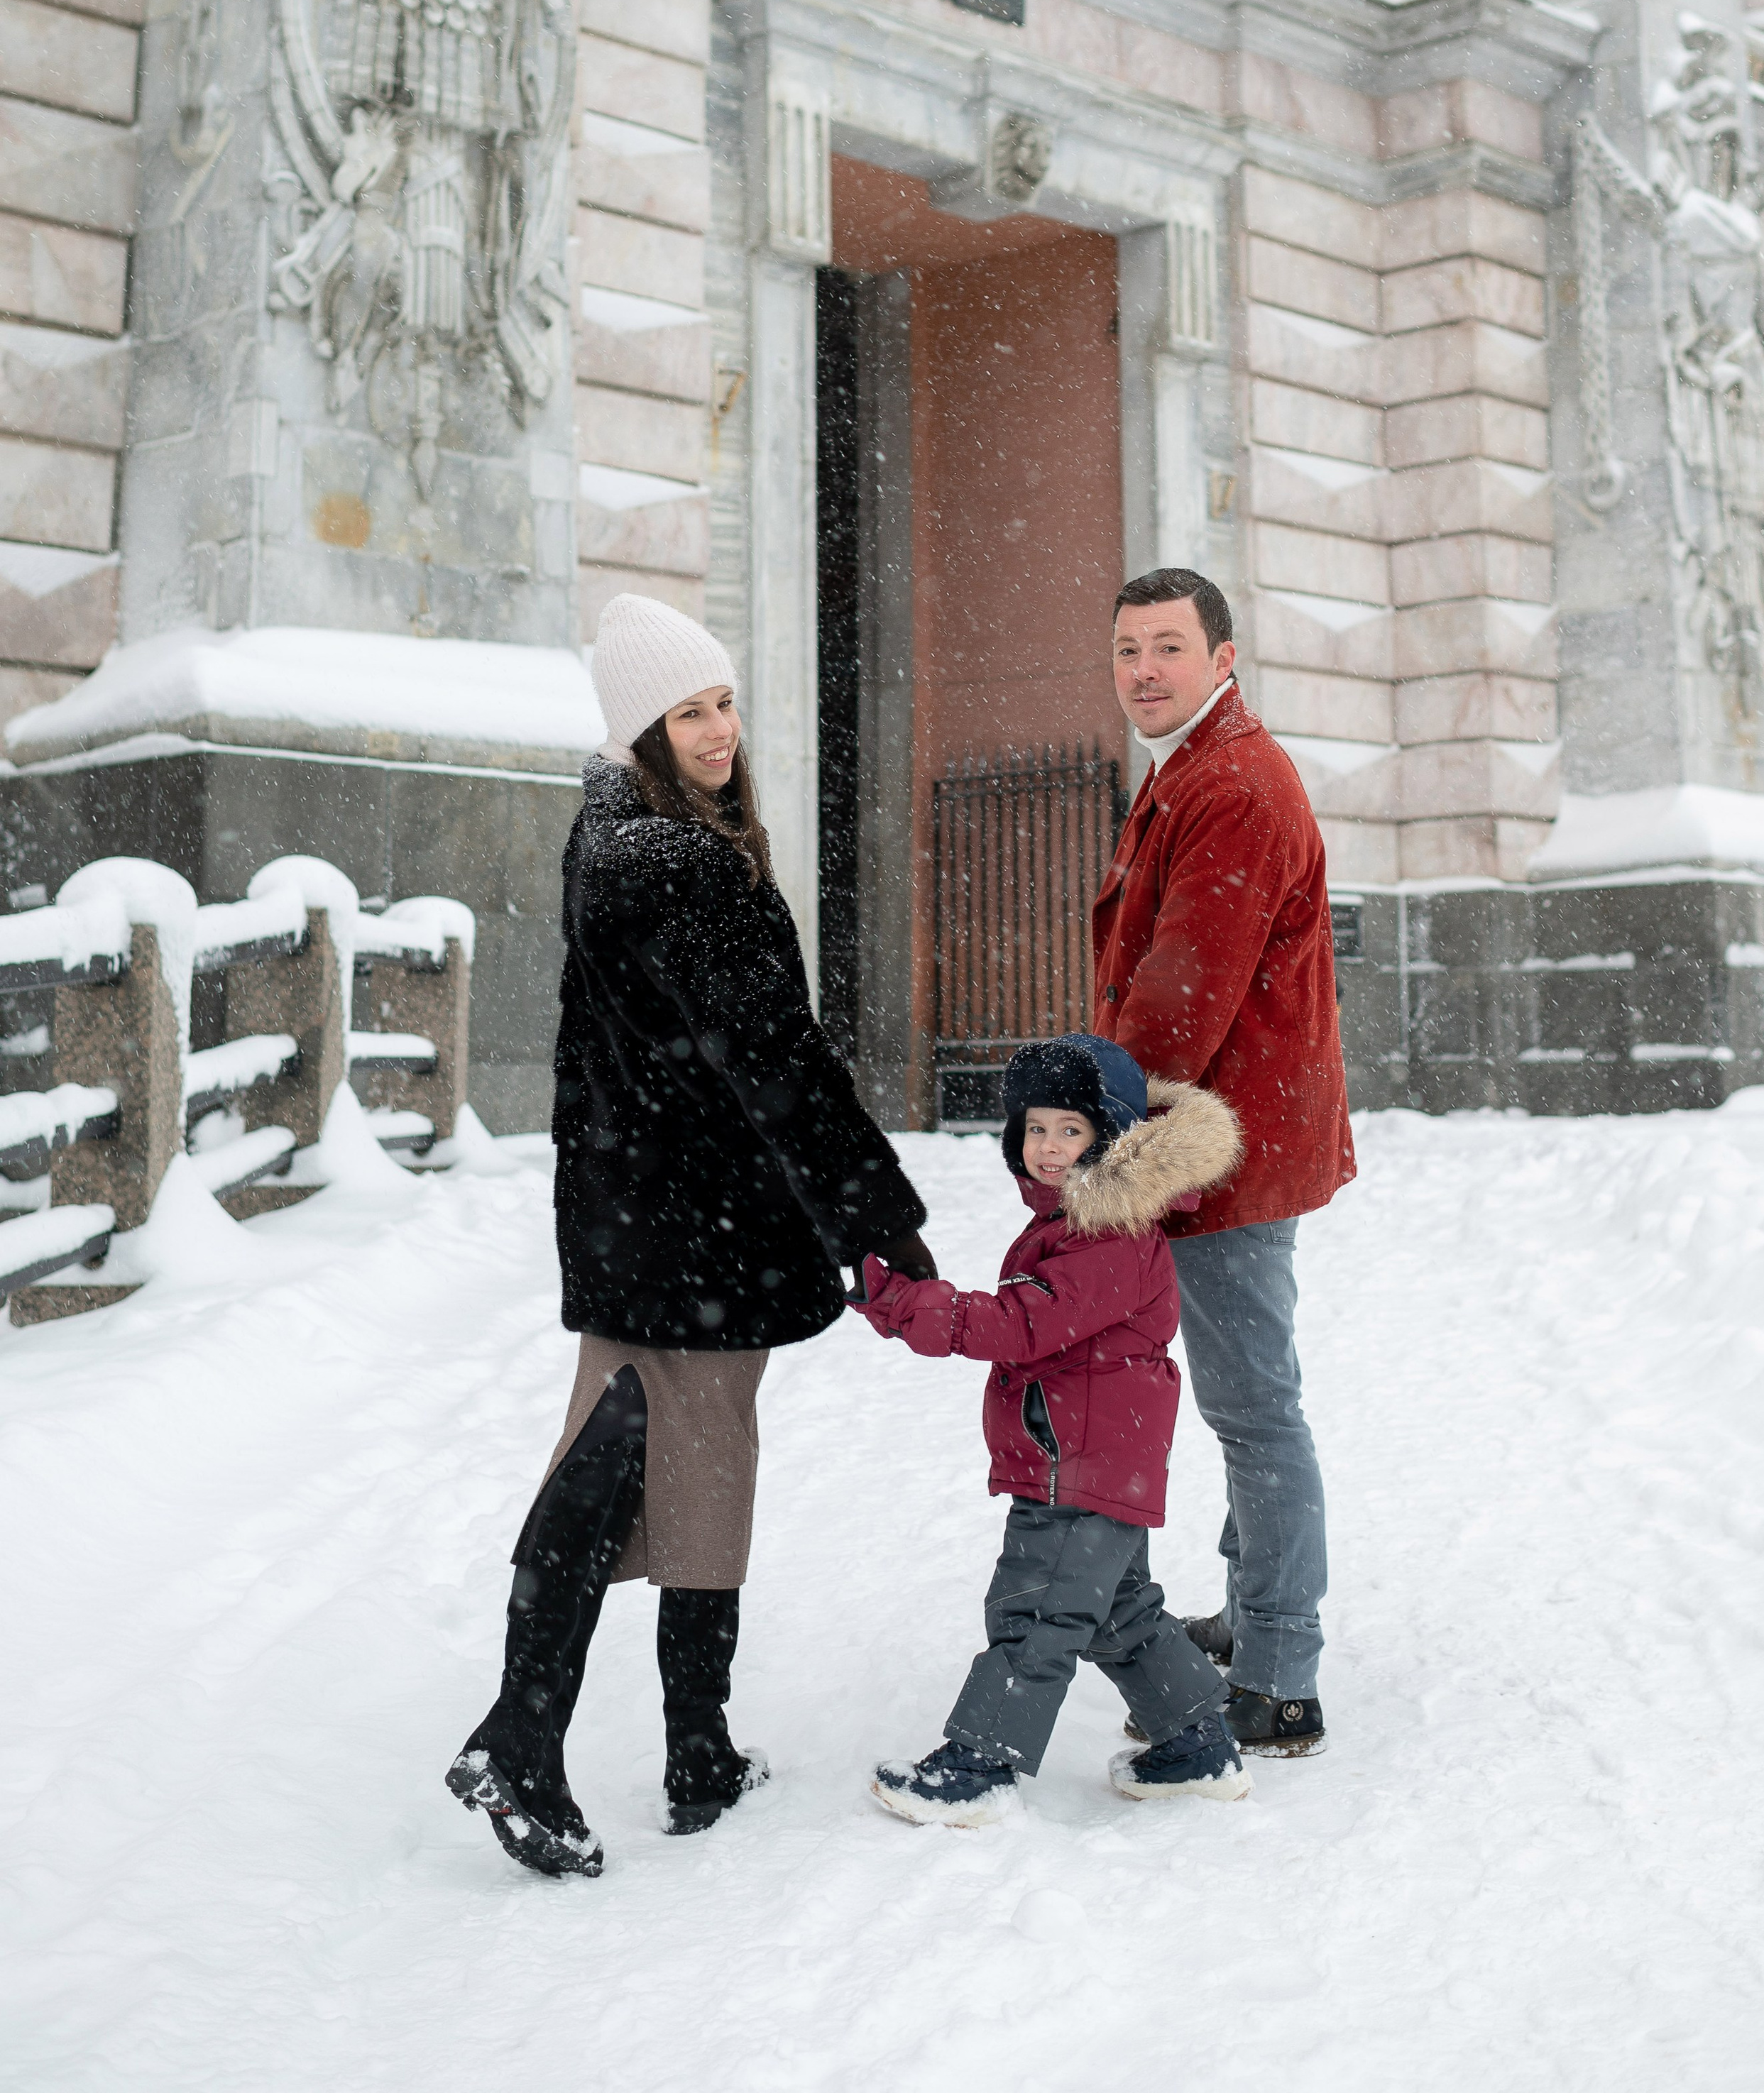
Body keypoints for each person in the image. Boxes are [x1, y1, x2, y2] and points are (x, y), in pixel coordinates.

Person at [447, 592, 936, 1876]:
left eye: (724, 702)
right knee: (695, 1474)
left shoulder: (614, 842)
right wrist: (875, 1213)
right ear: (641, 731)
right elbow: (777, 1059)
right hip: (700, 1230)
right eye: (689, 713)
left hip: (640, 1220)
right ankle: (606, 1744)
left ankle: (597, 1737)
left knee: (613, 1465)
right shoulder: (676, 865)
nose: (719, 730)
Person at [1094, 567, 1354, 1757]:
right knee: (1248, 1404)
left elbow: (1181, 996)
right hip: (1218, 1137)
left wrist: (1093, 1122)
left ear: (1223, 658)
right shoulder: (1192, 768)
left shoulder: (1233, 784)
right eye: (1127, 649)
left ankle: (1282, 1675)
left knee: (1254, 1412)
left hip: (1227, 1148)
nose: (1144, 669)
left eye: (1168, 646)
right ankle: (1256, 1616)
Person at [857, 1033, 1248, 1823]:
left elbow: (1022, 1324)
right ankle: (1197, 1744)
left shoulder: (1110, 1233)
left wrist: (909, 1306)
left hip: (1080, 1460)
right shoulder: (1076, 1221)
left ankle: (980, 1764)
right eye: (1035, 1127)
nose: (1047, 1146)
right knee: (1115, 1612)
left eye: (1070, 1129)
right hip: (1096, 1453)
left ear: (1112, 1138)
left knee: (1036, 1609)